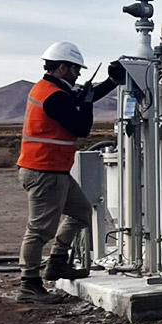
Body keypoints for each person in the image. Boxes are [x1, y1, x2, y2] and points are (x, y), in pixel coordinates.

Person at [15, 42, 123, 304]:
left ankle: (57, 262)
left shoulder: (53, 90)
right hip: (44, 171)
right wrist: (86, 104)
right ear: (62, 67)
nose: (78, 74)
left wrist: (111, 81)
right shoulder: (53, 96)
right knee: (39, 230)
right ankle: (29, 285)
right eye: (75, 69)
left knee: (81, 211)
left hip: (54, 170)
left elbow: (83, 97)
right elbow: (80, 127)